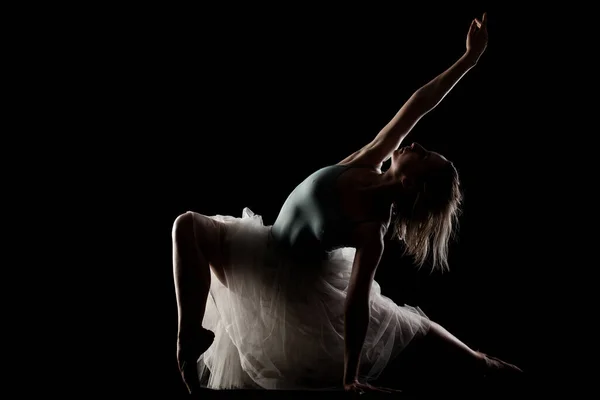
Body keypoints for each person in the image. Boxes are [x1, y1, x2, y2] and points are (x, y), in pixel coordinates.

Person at [172, 12, 522, 395]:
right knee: (187, 226)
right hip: (263, 245)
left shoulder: (371, 230)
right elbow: (419, 104)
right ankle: (188, 340)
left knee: (407, 324)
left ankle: (481, 362)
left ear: (409, 181)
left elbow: (356, 304)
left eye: (422, 156)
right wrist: (469, 59)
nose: (417, 145)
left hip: (290, 287)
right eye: (425, 148)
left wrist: (350, 376)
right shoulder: (369, 159)